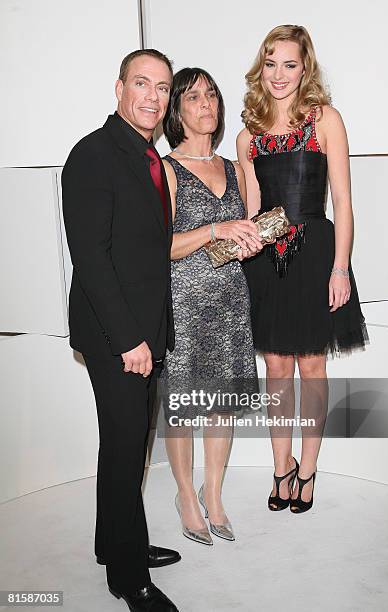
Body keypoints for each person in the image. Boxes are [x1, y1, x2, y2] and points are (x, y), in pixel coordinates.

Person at [62, 49, 180, 612]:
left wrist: (155, 333)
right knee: (124, 448)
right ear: (119, 88)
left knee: (130, 447)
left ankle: (113, 542)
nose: (152, 96)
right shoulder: (92, 155)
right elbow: (92, 260)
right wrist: (131, 340)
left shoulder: (146, 158)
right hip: (117, 335)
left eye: (162, 87)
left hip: (144, 330)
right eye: (141, 83)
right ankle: (128, 579)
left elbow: (147, 253)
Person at [237, 25, 368, 514]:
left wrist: (341, 269)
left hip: (316, 255)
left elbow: (345, 202)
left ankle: (308, 470)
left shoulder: (326, 120)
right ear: (261, 68)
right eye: (270, 64)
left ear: (305, 68)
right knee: (275, 366)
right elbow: (253, 211)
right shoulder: (247, 134)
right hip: (268, 262)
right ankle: (281, 468)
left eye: (289, 64)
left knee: (312, 365)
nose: (278, 74)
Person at [160, 67, 262, 544]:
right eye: (194, 96)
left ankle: (213, 492)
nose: (207, 104)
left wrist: (250, 239)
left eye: (212, 95)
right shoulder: (165, 168)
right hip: (182, 302)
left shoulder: (237, 169)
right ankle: (185, 493)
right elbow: (158, 246)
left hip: (229, 302)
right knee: (183, 407)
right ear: (176, 110)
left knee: (222, 405)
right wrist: (215, 231)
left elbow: (248, 230)